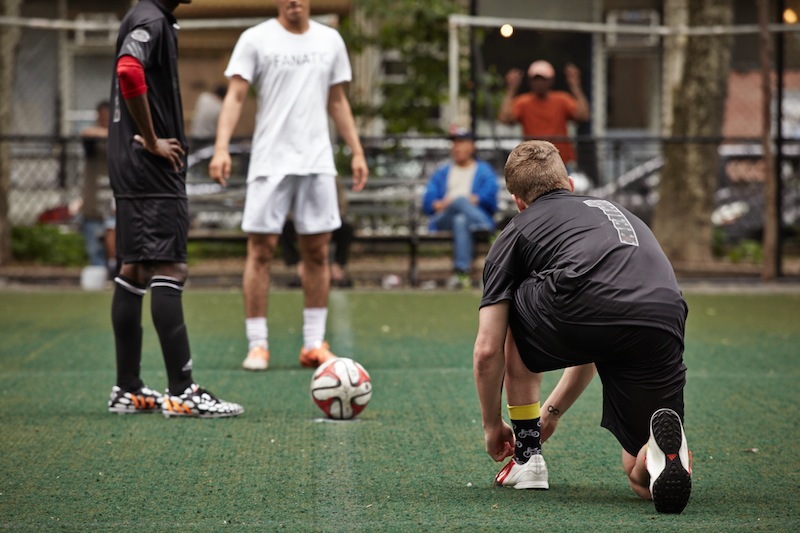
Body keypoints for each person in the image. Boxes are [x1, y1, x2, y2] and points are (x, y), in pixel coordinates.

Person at [473, 140, 692, 514]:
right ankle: (659, 456)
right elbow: (595, 333)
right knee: (639, 477)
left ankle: (528, 459)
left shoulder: (517, 230)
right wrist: (552, 412)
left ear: (518, 201)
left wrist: (493, 426)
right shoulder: (615, 210)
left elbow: (487, 350)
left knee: (510, 306)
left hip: (583, 308)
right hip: (663, 313)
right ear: (570, 184)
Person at [209, 0, 369, 372]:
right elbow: (235, 95)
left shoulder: (330, 40)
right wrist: (220, 148)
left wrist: (356, 151)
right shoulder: (255, 38)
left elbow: (338, 101)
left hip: (316, 162)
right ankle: (257, 344)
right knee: (261, 249)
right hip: (270, 161)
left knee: (317, 252)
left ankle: (313, 344)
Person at [106, 0, 243, 418]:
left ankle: (128, 388)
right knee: (169, 267)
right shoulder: (150, 17)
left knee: (134, 270)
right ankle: (182, 391)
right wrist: (151, 139)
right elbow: (129, 70)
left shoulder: (148, 15)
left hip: (127, 165)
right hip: (150, 166)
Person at [422, 128, 498, 289]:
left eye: (461, 143)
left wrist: (474, 199)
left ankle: (462, 273)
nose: (456, 147)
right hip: (443, 218)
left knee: (461, 220)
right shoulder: (442, 172)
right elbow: (429, 203)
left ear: (472, 146)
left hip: (467, 220)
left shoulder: (484, 171)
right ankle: (489, 229)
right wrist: (451, 202)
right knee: (459, 201)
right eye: (454, 143)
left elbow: (490, 199)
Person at [498, 60, 590, 170]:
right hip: (532, 162)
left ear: (551, 81)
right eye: (536, 79)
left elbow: (583, 115)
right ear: (530, 81)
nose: (540, 83)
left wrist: (575, 86)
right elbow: (504, 118)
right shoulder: (523, 102)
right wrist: (511, 89)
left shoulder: (561, 100)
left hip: (560, 161)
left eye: (544, 79)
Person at [280, 176, 355, 288]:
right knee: (283, 228)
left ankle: (337, 268)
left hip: (327, 222)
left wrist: (327, 221)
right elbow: (287, 206)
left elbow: (341, 204)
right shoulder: (294, 177)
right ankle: (300, 267)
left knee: (346, 228)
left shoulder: (332, 178)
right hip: (301, 221)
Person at [79, 100, 114, 273]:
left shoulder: (122, 139)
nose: (106, 119)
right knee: (96, 255)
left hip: (115, 208)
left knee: (117, 255)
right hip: (94, 208)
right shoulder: (93, 138)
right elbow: (86, 133)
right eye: (103, 116)